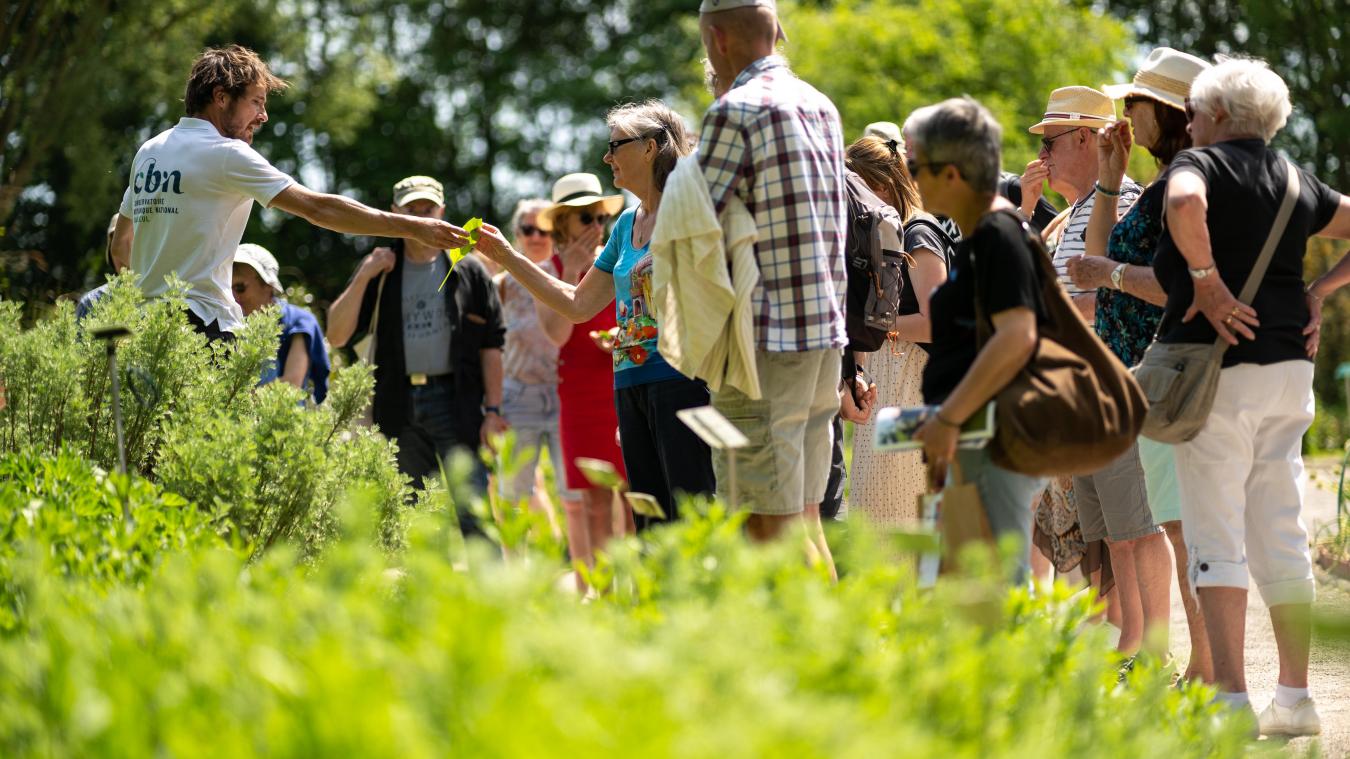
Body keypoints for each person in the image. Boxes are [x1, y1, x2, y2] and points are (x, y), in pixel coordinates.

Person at [1156, 57, 1350, 734]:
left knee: (1216, 532)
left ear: (1214, 115)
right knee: (1281, 528)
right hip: (1288, 368)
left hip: (1218, 372)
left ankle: (1230, 701)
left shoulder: (1201, 166)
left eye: (1193, 112)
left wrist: (1205, 279)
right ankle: (1295, 700)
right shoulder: (1297, 178)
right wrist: (1318, 293)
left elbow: (1182, 204)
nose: (1188, 122)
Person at [112, 44, 470, 343]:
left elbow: (121, 243)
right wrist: (412, 226)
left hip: (144, 330)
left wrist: (144, 299)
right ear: (221, 97)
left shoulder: (150, 151)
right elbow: (319, 209)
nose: (264, 116)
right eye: (256, 102)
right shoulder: (226, 154)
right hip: (203, 329)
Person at [480, 104, 720, 526]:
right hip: (629, 386)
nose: (607, 157)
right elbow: (577, 303)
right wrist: (506, 255)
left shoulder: (692, 211)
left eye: (615, 146)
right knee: (649, 522)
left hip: (683, 383)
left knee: (689, 516)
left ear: (649, 149)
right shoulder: (627, 224)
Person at [1065, 47, 1214, 680]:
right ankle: (1186, 663)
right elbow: (1095, 262)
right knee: (1167, 528)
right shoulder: (1155, 183)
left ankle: (1203, 666)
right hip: (1135, 373)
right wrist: (1109, 175)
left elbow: (1179, 284)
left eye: (1136, 101)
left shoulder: (1185, 181)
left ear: (1168, 112)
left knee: (1178, 530)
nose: (1125, 109)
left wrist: (1114, 275)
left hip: (1165, 369)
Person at [696, 0, 846, 576]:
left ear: (717, 37)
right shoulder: (820, 105)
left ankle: (809, 661)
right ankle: (839, 656)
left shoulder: (734, 110)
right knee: (805, 519)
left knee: (766, 525)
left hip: (763, 345)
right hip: (822, 342)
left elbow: (695, 233)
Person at [907, 97, 1050, 583]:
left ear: (951, 173)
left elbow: (1017, 336)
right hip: (973, 436)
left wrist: (949, 417)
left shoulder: (997, 234)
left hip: (996, 436)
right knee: (970, 591)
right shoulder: (978, 236)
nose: (910, 177)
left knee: (999, 588)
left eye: (915, 165)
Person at [326, 175, 506, 504]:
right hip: (397, 403)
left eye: (429, 208)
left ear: (443, 210)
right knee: (407, 515)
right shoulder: (382, 268)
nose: (422, 217)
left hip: (458, 402)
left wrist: (493, 411)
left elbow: (492, 345)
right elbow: (336, 335)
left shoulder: (469, 270)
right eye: (412, 210)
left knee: (472, 507)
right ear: (395, 212)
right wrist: (365, 273)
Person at [844, 135, 948, 532]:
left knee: (902, 513)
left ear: (882, 187)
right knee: (875, 513)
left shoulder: (918, 233)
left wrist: (877, 325)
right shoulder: (880, 237)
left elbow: (936, 322)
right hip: (887, 386)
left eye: (856, 187)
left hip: (915, 387)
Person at [1022, 86, 1142, 322]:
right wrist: (1025, 211)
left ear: (1082, 138)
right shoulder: (1079, 207)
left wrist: (1043, 310)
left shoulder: (1122, 199)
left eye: (1048, 143)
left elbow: (1124, 295)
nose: (1041, 155)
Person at [495, 199, 573, 528]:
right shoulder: (502, 284)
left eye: (545, 229)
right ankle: (514, 574)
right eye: (528, 229)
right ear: (517, 234)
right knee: (513, 494)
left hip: (564, 394)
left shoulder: (572, 277)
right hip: (518, 396)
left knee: (575, 494)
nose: (537, 236)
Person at [230, 243, 330, 403]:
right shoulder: (226, 322)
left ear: (269, 286)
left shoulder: (299, 321)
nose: (233, 297)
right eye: (228, 288)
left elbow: (291, 384)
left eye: (240, 287)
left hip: (282, 422)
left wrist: (235, 399)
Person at [75, 214, 128, 320]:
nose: (122, 250)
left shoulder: (164, 297)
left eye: (130, 241)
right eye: (116, 242)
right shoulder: (90, 303)